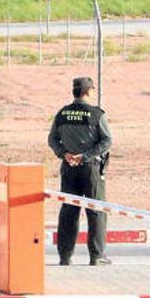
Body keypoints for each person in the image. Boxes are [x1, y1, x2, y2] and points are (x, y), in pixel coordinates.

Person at [48, 77, 113, 266]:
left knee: (69, 211)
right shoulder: (96, 115)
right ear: (89, 91)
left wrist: (65, 154)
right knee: (96, 211)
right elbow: (107, 141)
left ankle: (65, 256)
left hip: (69, 168)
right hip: (90, 169)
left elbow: (52, 139)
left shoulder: (62, 114)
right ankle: (97, 255)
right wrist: (85, 156)